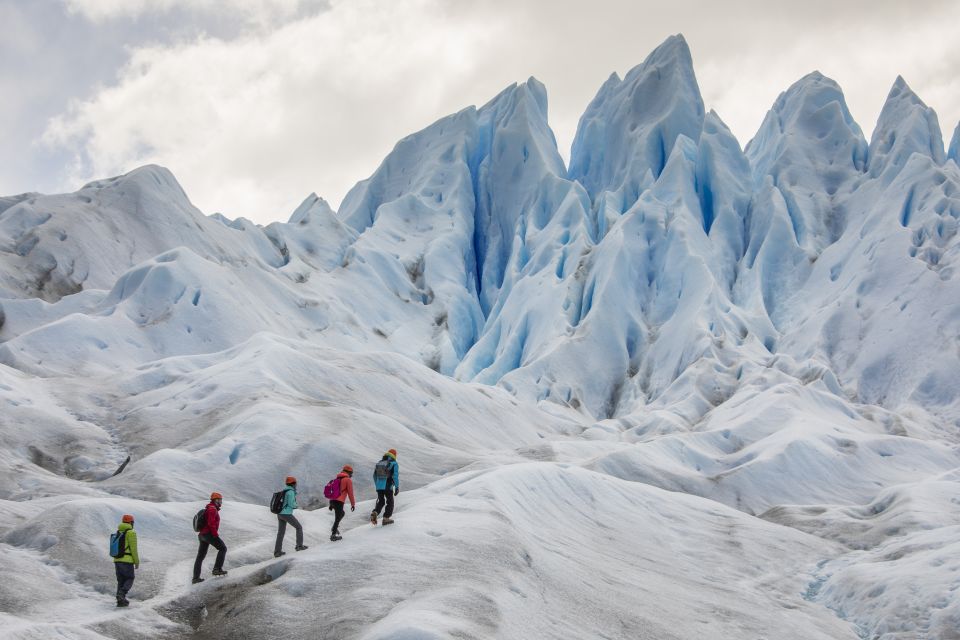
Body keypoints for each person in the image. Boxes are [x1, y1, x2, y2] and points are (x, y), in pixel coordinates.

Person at [193, 491, 228, 584]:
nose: (221, 502)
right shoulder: (212, 509)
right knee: (223, 548)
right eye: (220, 500)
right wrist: (215, 535)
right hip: (209, 534)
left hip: (202, 535)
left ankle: (195, 578)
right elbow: (211, 523)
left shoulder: (209, 508)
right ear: (216, 500)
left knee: (200, 557)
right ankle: (217, 569)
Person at [275, 476, 308, 557]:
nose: (296, 485)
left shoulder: (285, 491)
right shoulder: (290, 492)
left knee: (280, 532)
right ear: (293, 484)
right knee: (299, 527)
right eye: (296, 483)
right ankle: (299, 546)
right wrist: (296, 505)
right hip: (286, 514)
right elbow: (291, 504)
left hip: (280, 514)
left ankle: (277, 552)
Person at [113, 514, 139, 607]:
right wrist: (136, 562)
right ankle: (122, 594)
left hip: (117, 560)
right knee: (130, 578)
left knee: (121, 581)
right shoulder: (131, 532)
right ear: (131, 522)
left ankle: (120, 600)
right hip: (127, 561)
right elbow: (133, 549)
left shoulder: (118, 532)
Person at [370, 448, 400, 525]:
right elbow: (395, 476)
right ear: (394, 455)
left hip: (379, 487)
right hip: (388, 486)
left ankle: (375, 512)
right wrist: (397, 487)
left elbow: (374, 476)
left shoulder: (380, 462)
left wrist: (378, 485)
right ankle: (386, 518)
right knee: (390, 502)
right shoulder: (394, 463)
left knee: (381, 501)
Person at [328, 465, 356, 541]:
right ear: (348, 472)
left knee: (341, 514)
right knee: (338, 517)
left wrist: (330, 504)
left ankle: (334, 528)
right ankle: (333, 535)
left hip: (333, 500)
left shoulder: (336, 479)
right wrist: (353, 504)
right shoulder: (347, 480)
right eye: (351, 473)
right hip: (339, 501)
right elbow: (350, 493)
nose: (351, 475)